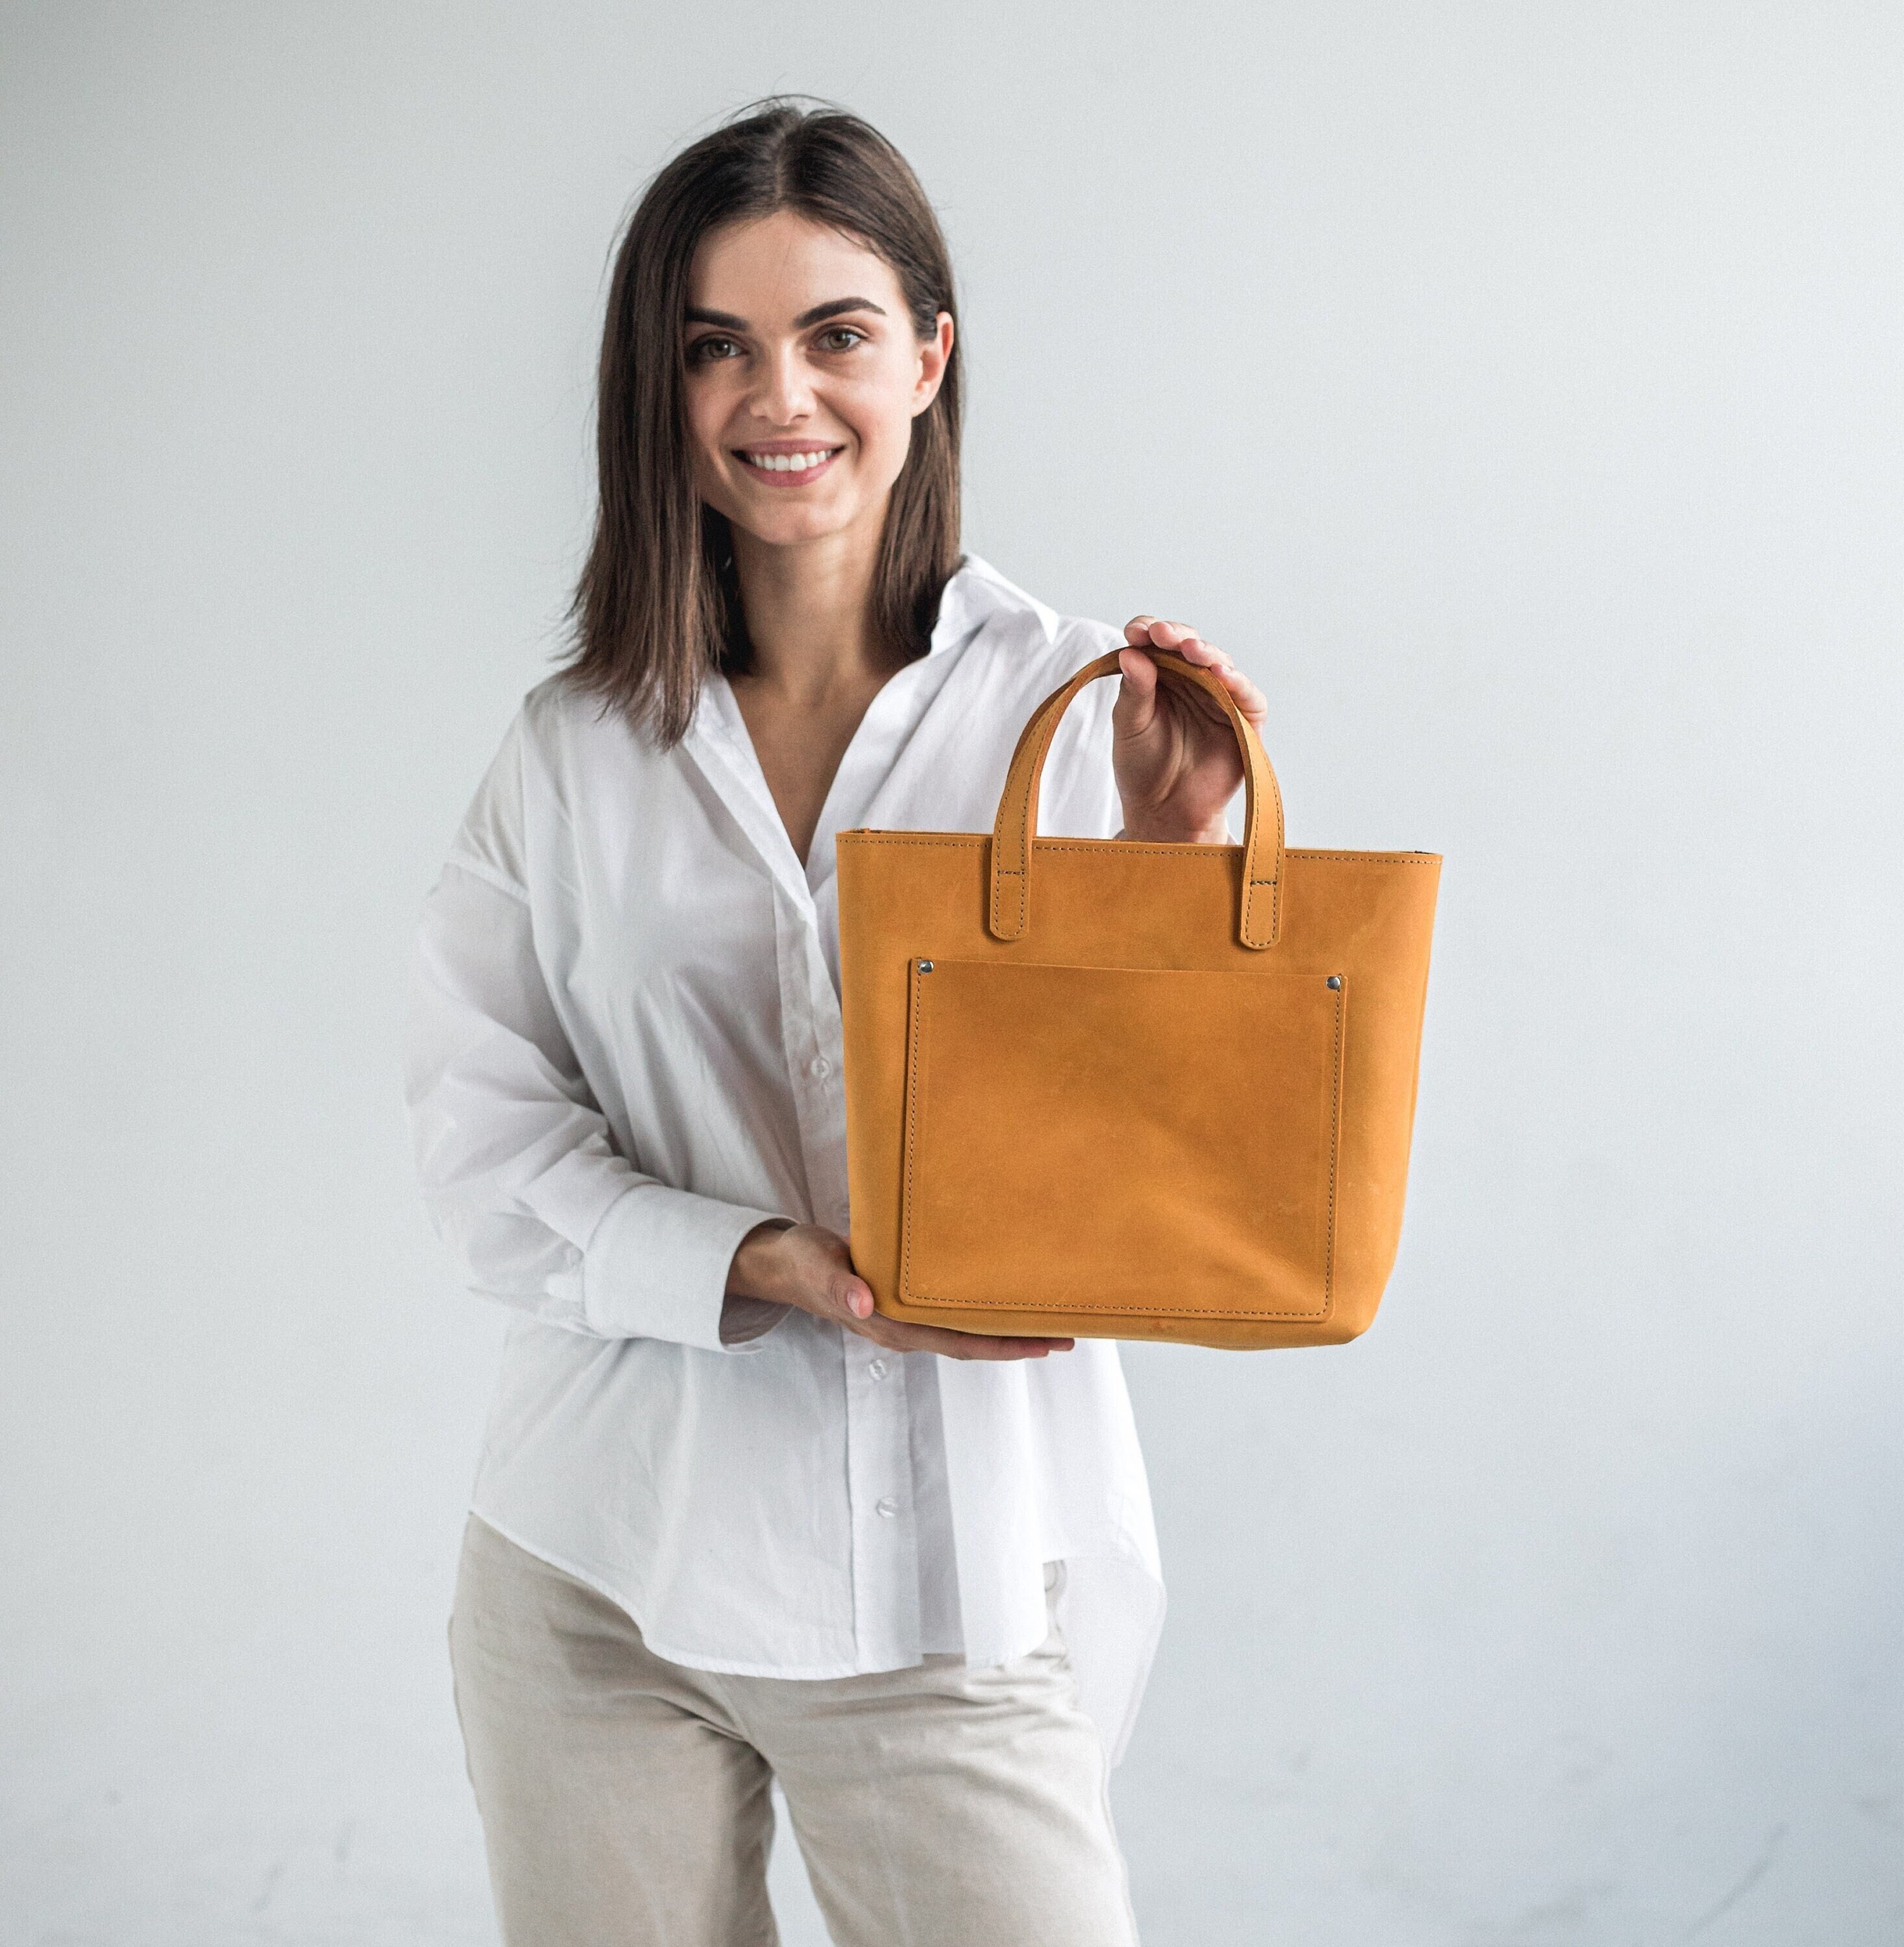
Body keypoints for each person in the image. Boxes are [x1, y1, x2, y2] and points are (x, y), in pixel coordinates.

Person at [404, 98, 1268, 1947]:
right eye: (717, 345)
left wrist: (1177, 857)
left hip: (940, 1590)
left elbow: (1174, 1146)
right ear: (662, 384)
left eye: (837, 334)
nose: (776, 397)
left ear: (931, 357)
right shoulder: (574, 751)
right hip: (592, 1574)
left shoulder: (1071, 712)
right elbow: (484, 1147)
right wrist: (758, 1260)